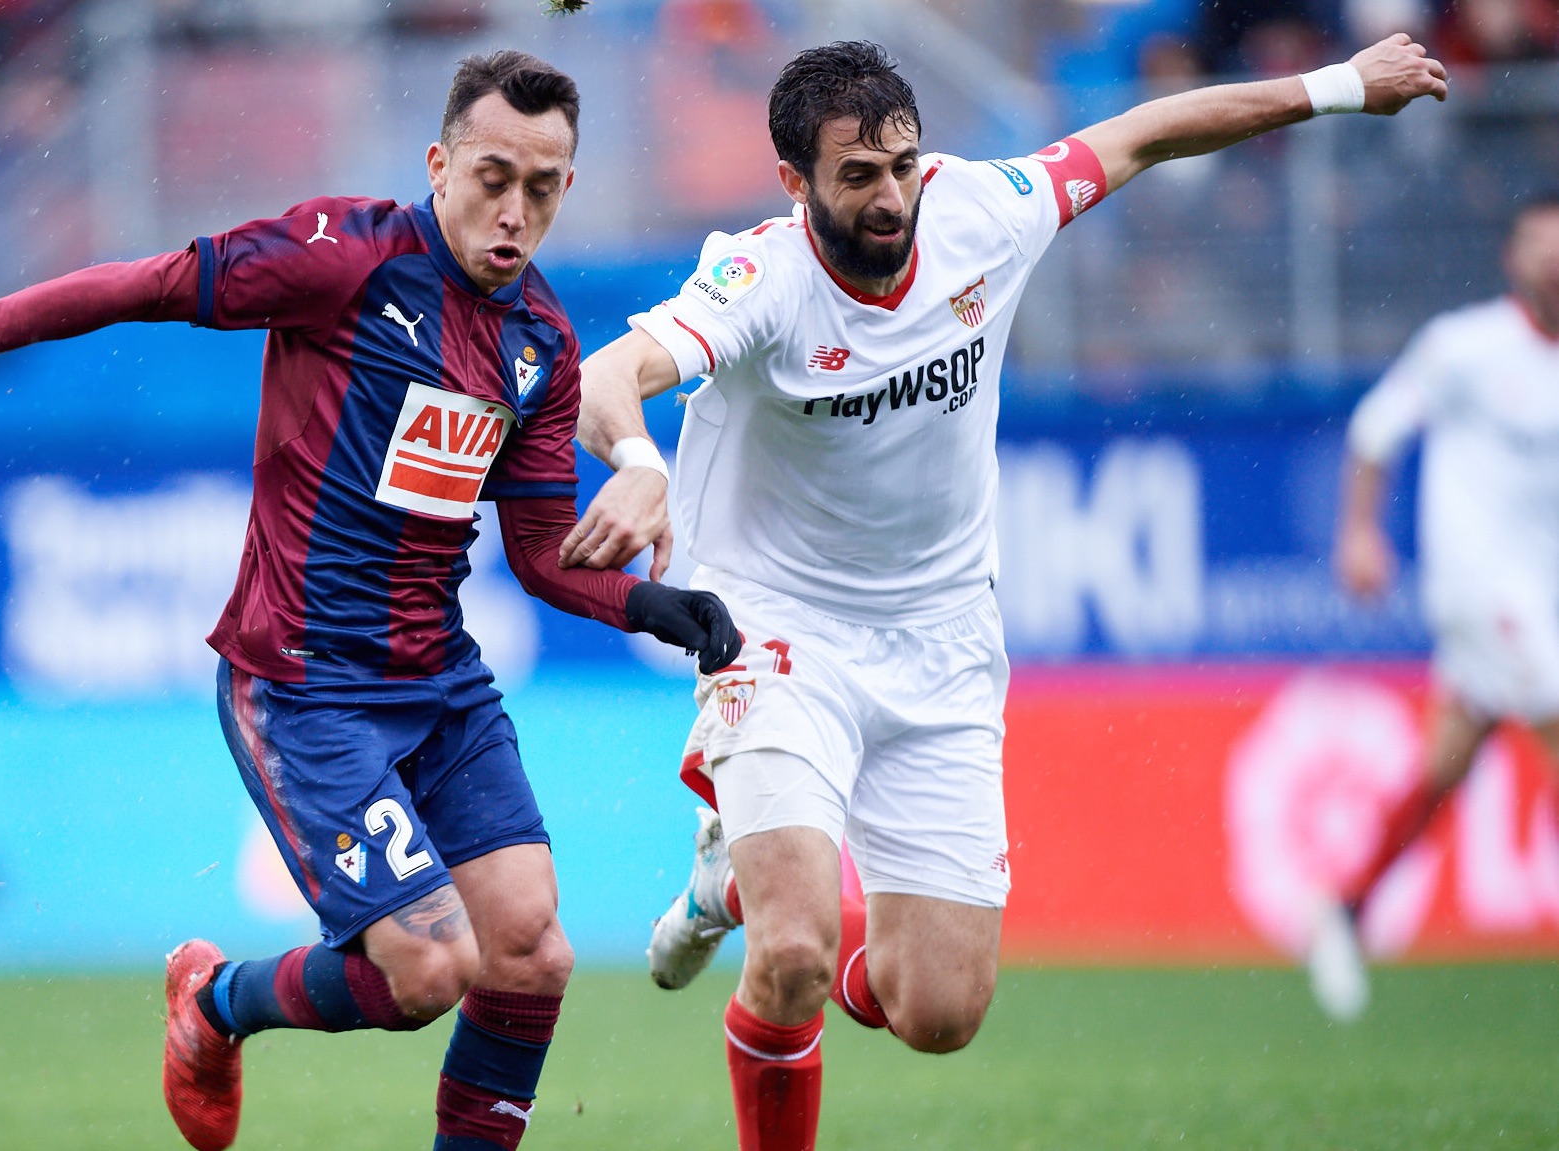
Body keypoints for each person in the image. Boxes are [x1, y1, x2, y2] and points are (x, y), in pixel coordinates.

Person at [0, 51, 740, 1151]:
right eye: (492, 177)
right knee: (426, 968)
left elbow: (546, 554)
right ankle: (211, 1006)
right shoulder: (345, 258)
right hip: (302, 685)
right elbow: (148, 283)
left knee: (531, 955)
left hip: (440, 685)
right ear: (438, 163)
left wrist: (656, 607)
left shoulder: (539, 343)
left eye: (542, 188)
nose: (514, 211)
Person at [565, 36, 1447, 1151]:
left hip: (941, 644)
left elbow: (1143, 133)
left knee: (937, 1010)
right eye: (856, 176)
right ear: (794, 184)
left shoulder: (983, 210)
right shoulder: (761, 278)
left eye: (902, 164)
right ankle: (760, 899)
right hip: (776, 628)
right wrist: (640, 463)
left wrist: (1335, 88)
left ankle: (725, 882)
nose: (891, 198)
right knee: (789, 958)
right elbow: (606, 375)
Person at [1309, 192, 1559, 1022]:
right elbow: (1377, 431)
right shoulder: (1464, 347)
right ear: (1511, 260)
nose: (1551, 260)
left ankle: (1343, 910)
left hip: (1543, 595)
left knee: (1441, 771)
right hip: (1480, 591)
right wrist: (1359, 534)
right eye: (1537, 244)